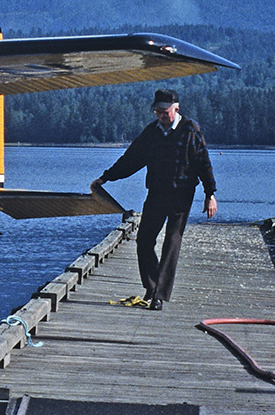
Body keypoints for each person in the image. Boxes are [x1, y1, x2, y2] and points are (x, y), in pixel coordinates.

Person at [90, 89, 218, 311]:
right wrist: (107, 177)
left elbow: (203, 164)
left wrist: (210, 194)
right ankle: (151, 286)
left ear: (175, 108)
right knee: (144, 240)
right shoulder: (151, 133)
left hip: (182, 194)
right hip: (157, 193)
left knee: (172, 241)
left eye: (164, 111)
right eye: (157, 111)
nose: (160, 115)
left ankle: (159, 295)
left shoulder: (190, 130)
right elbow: (131, 159)